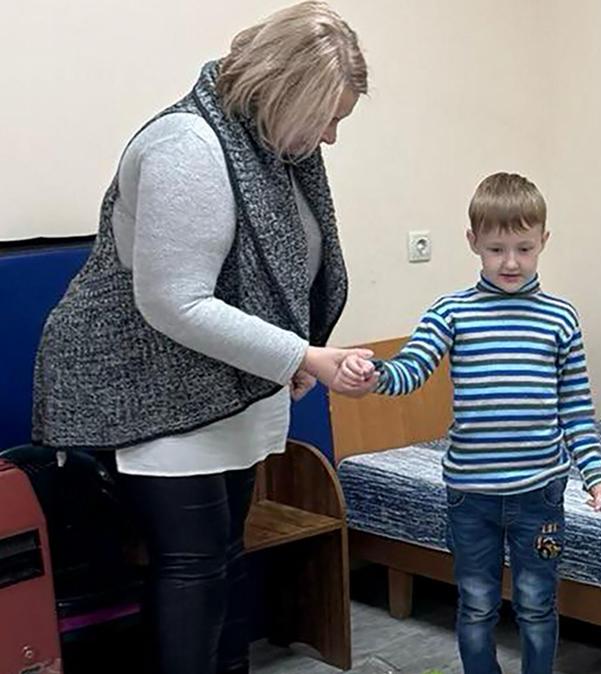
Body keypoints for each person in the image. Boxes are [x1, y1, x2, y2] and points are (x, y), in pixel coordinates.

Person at [31, 4, 371, 673]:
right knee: (192, 562)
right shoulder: (186, 146)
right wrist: (299, 353)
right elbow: (175, 302)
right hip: (147, 384)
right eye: (326, 117)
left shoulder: (273, 151)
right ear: (282, 92)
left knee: (222, 556)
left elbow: (276, 277)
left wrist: (290, 353)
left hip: (222, 379)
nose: (330, 137)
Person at [334, 172, 601, 674]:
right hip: (471, 495)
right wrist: (373, 376)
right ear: (473, 242)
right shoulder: (452, 312)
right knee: (475, 605)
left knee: (537, 605)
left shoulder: (560, 318)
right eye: (496, 249)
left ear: (543, 241)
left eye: (524, 248)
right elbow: (410, 370)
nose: (510, 262)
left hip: (540, 492)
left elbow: (576, 409)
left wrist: (596, 475)